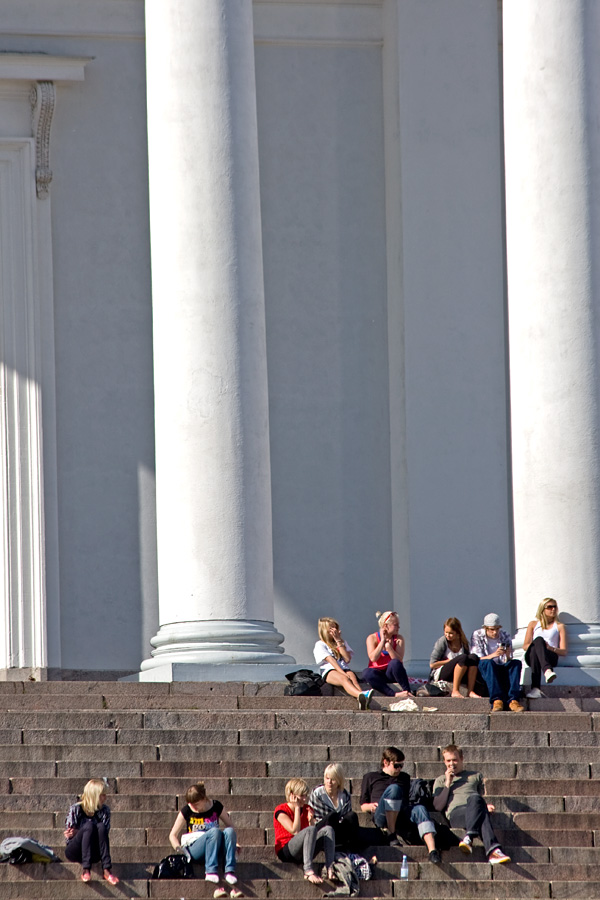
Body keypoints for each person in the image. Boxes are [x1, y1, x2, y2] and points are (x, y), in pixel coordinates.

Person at [359, 746, 440, 864]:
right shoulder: (370, 777)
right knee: (394, 789)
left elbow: (406, 801)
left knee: (420, 808)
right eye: (396, 766)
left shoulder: (404, 778)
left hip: (401, 812)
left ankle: (432, 850)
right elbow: (362, 805)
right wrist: (370, 806)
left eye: (401, 766)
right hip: (382, 814)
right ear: (386, 763)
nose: (399, 769)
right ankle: (391, 834)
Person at [433, 744, 511, 865]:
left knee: (475, 798)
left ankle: (470, 838)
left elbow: (481, 797)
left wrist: (484, 806)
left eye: (455, 760)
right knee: (482, 814)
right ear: (444, 761)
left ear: (461, 759)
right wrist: (448, 782)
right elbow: (438, 806)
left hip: (474, 807)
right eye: (448, 761)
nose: (452, 764)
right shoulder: (440, 780)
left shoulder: (475, 776)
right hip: (456, 814)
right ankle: (493, 850)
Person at [169, 781, 242, 898]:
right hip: (196, 848)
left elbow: (230, 826)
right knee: (214, 831)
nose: (193, 807)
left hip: (215, 846)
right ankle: (210, 871)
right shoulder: (187, 810)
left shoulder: (216, 806)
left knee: (228, 831)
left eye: (196, 804)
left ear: (204, 799)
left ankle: (229, 871)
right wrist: (179, 849)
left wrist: (235, 844)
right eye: (191, 804)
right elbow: (172, 834)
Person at [274, 777, 336, 884]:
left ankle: (330, 868)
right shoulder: (281, 810)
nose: (305, 799)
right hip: (287, 850)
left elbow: (313, 834)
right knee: (310, 829)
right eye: (302, 796)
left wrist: (311, 820)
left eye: (305, 795)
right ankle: (308, 871)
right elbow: (295, 831)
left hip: (304, 850)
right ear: (292, 795)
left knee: (328, 830)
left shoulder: (307, 808)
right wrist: (297, 808)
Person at [64, 778, 119, 884]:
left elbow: (103, 834)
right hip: (75, 850)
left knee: (101, 827)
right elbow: (70, 834)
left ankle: (107, 869)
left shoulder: (105, 811)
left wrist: (77, 831)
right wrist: (78, 832)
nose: (105, 798)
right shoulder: (76, 809)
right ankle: (86, 869)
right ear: (94, 795)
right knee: (88, 826)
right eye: (102, 795)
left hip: (94, 851)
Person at [314, 617, 373, 709]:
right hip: (330, 670)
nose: (334, 630)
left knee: (353, 679)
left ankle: (363, 700)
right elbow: (331, 660)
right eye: (331, 628)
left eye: (335, 628)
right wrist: (342, 673)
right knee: (344, 678)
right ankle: (362, 695)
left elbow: (347, 659)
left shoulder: (342, 642)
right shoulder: (320, 644)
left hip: (344, 667)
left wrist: (338, 641)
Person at [470, 614, 524, 712]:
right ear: (485, 628)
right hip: (485, 668)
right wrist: (494, 654)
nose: (495, 632)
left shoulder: (505, 635)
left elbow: (508, 659)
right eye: (491, 629)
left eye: (497, 629)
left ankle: (513, 700)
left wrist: (508, 655)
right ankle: (497, 700)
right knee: (489, 663)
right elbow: (477, 658)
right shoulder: (477, 635)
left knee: (516, 663)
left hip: (501, 666)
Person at [429, 617, 485, 698]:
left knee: (473, 657)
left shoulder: (464, 644)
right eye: (446, 632)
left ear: (458, 633)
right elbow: (432, 664)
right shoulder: (442, 642)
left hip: (461, 671)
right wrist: (451, 661)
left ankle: (470, 691)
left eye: (451, 633)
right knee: (462, 658)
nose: (448, 635)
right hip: (442, 672)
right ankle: (455, 690)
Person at [523, 598, 568, 698]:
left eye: (555, 607)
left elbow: (564, 651)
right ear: (542, 609)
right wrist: (539, 645)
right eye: (550, 607)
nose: (553, 609)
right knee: (538, 641)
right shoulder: (533, 624)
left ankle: (535, 688)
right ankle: (547, 671)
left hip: (550, 655)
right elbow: (525, 646)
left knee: (538, 644)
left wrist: (549, 648)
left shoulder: (559, 626)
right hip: (533, 656)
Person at [308, 763, 360, 849]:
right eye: (327, 778)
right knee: (332, 815)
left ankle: (351, 848)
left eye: (333, 779)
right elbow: (314, 819)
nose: (329, 782)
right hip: (322, 829)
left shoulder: (345, 795)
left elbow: (347, 817)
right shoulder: (317, 793)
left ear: (339, 780)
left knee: (352, 816)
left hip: (339, 829)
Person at [362, 611, 411, 697]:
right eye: (395, 625)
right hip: (378, 674)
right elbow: (373, 658)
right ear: (386, 626)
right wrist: (382, 642)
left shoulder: (399, 639)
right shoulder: (372, 638)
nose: (398, 627)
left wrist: (389, 648)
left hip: (391, 673)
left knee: (395, 663)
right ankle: (393, 694)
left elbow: (399, 660)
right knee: (367, 672)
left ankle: (407, 691)